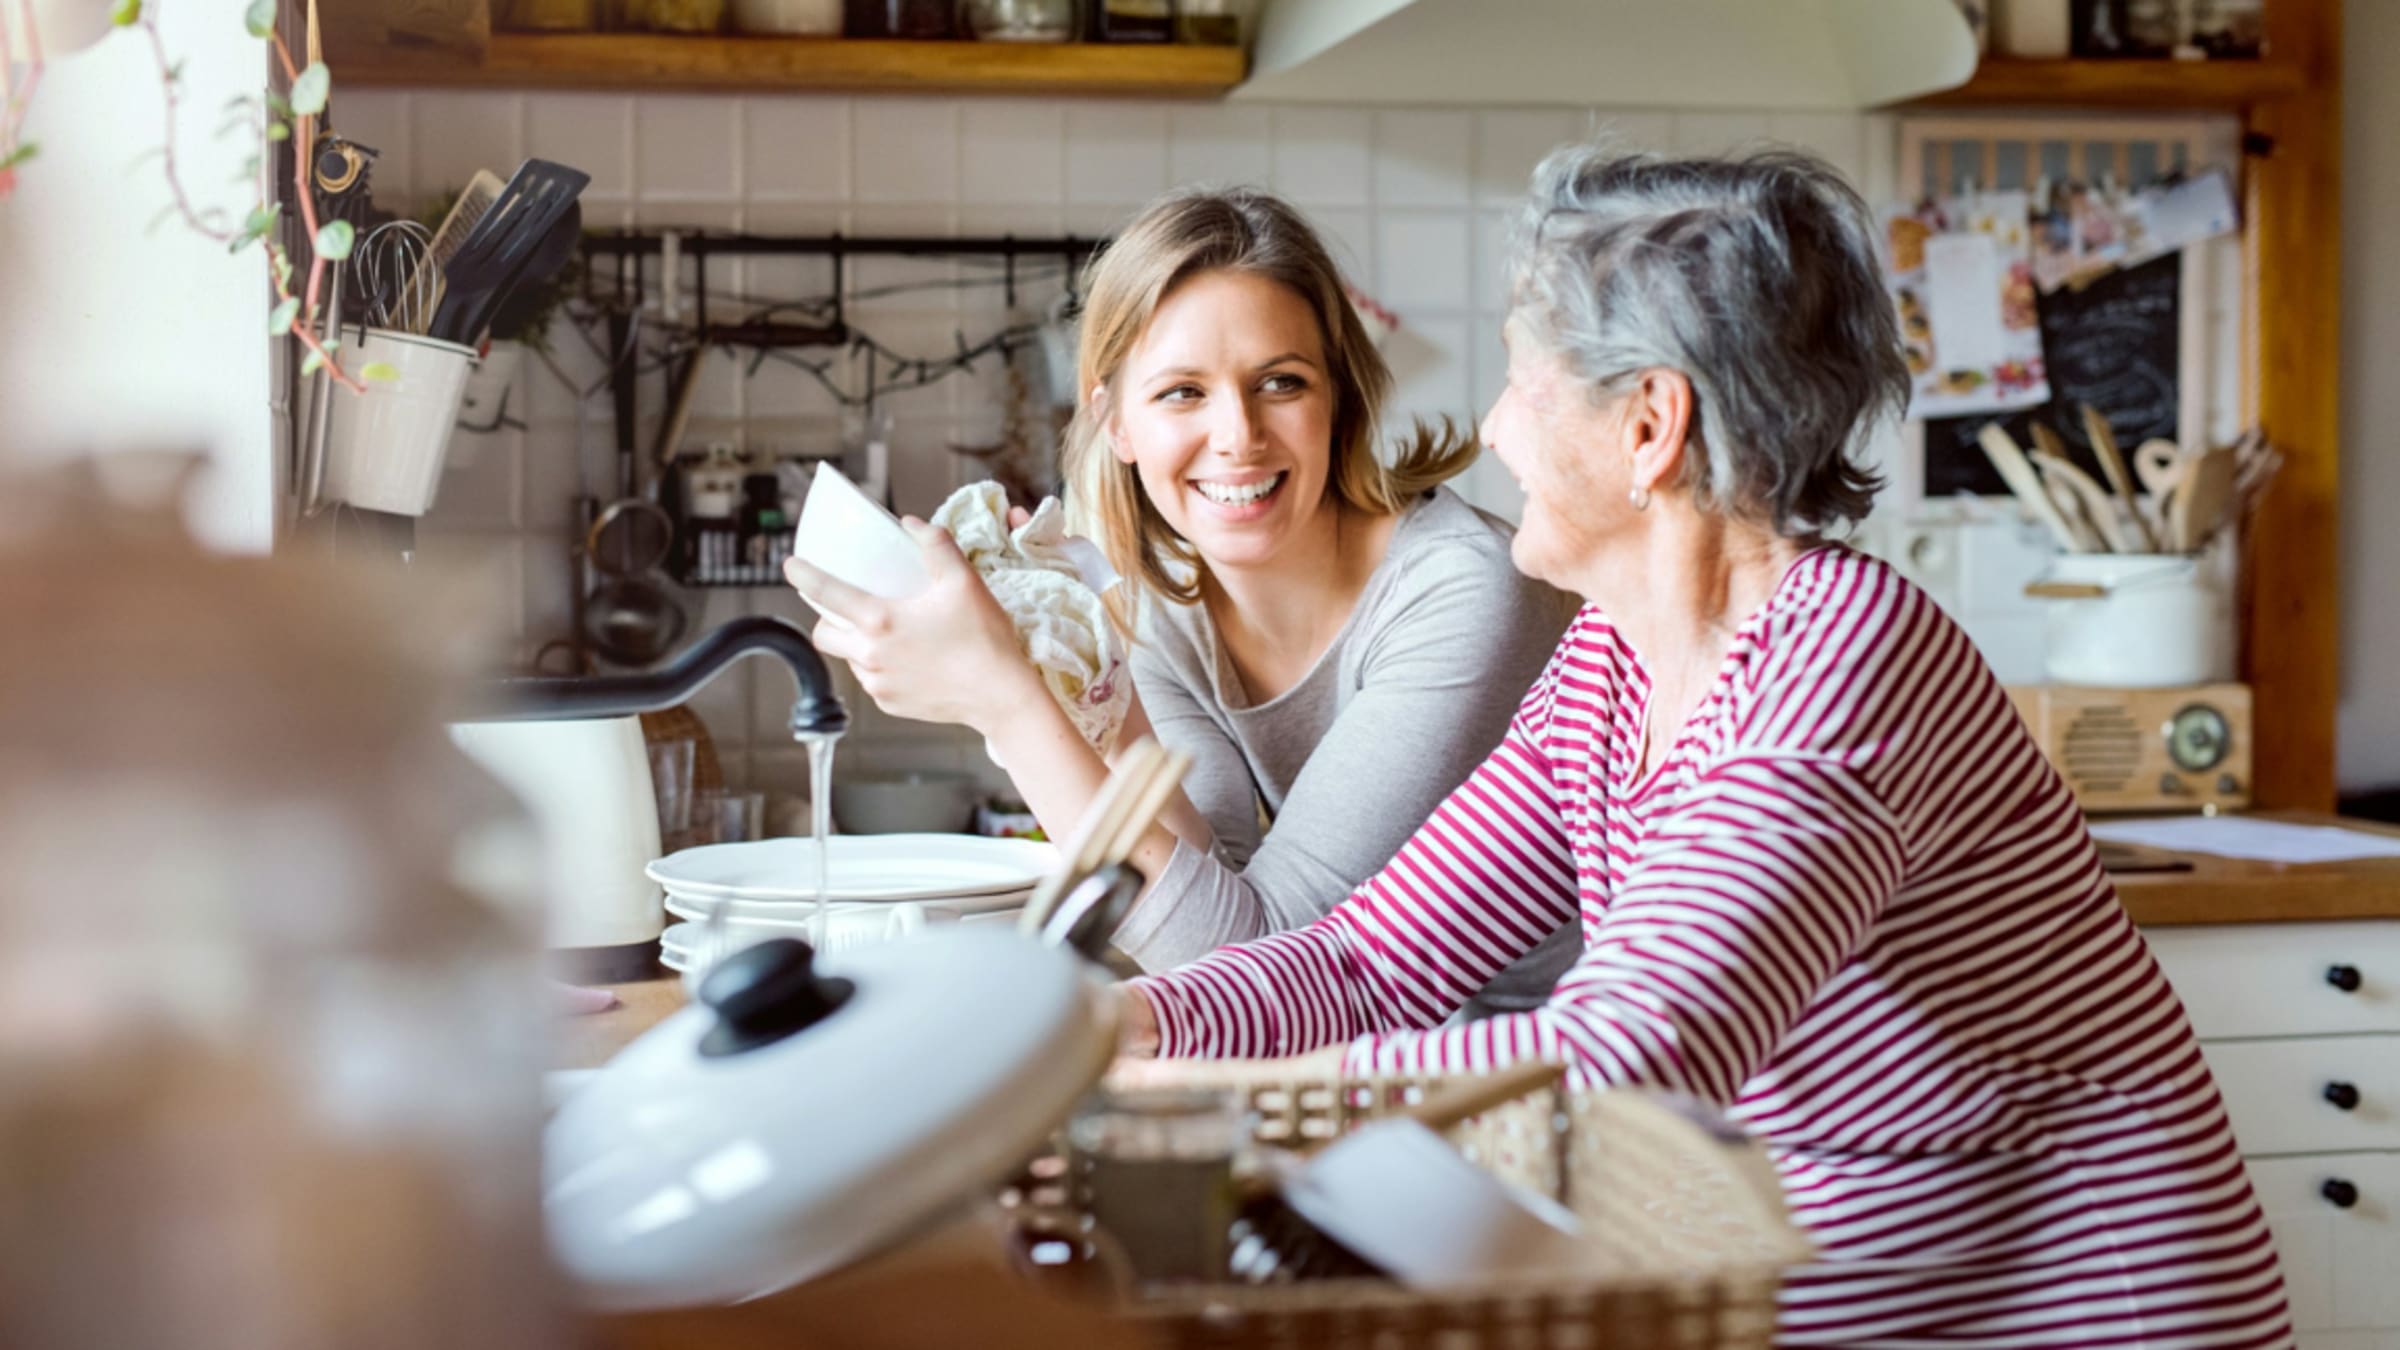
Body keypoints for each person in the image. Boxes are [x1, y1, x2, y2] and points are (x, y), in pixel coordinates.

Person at [1116, 146, 2292, 1347]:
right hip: (1832, 1276)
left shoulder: (1843, 658)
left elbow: (1631, 1053)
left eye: (1523, 381)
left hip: (2072, 1306)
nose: (1491, 426)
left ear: (1648, 427)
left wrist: (1215, 1109)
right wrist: (1125, 1034)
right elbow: (1372, 962)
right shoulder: (1610, 663)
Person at [786, 186, 1580, 1014]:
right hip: (1382, 1053)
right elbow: (1203, 886)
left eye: (1280, 382)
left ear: (1337, 397)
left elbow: (1257, 965)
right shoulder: (1164, 602)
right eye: (1181, 392)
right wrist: (1079, 676)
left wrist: (1009, 708)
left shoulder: (1461, 590)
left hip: (1559, 1070)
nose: (1238, 435)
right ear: (1116, 423)